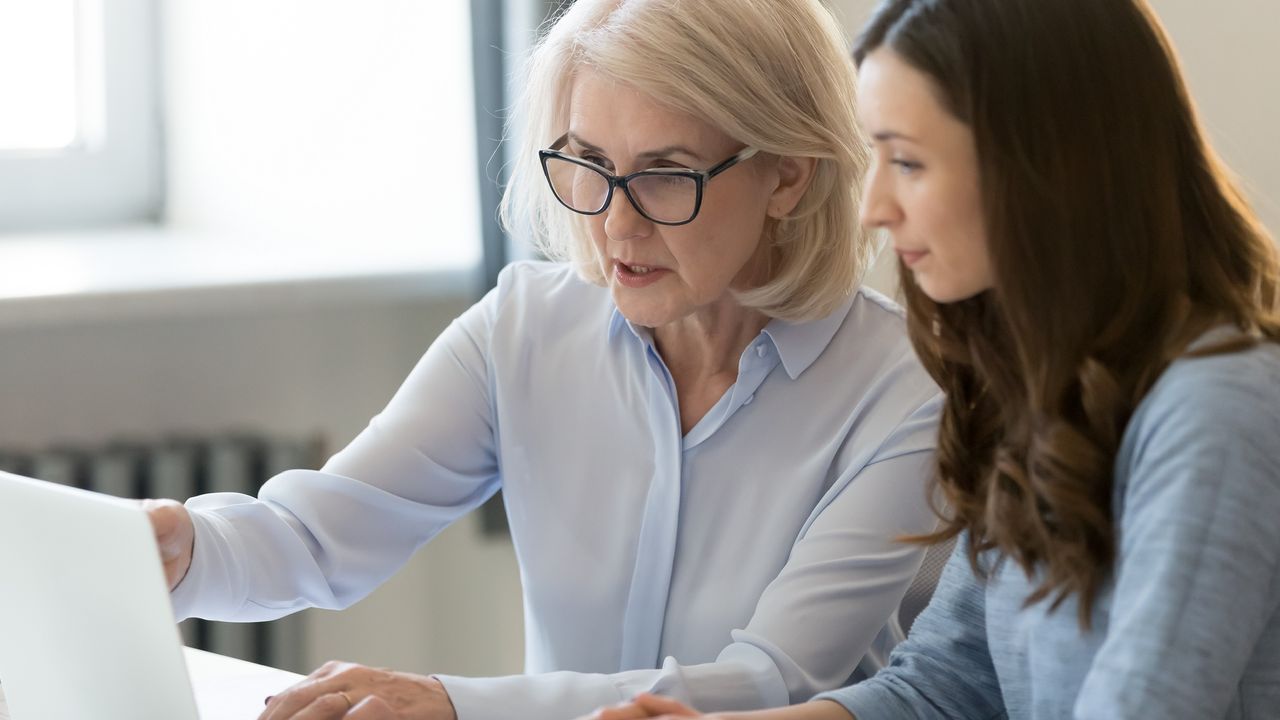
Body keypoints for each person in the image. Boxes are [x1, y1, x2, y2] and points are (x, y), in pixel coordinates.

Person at [143, 1, 945, 719]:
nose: (616, 227)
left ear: (789, 176)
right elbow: (320, 534)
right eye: (589, 165)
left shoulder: (908, 395)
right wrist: (188, 547)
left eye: (665, 176)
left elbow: (769, 682)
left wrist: (450, 707)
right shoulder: (523, 328)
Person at [588, 0, 1280, 719]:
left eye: (909, 161)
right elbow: (942, 687)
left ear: (1046, 166)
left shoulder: (1219, 409)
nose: (873, 207)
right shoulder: (1042, 394)